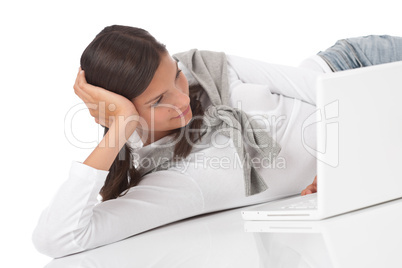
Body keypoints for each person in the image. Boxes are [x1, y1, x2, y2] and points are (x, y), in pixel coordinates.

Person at [32, 25, 402, 258]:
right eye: (157, 102)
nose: (181, 99)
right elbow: (58, 238)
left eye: (175, 77)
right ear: (125, 112)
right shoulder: (175, 181)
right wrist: (118, 131)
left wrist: (348, 162)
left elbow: (327, 93)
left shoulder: (204, 68)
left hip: (358, 67)